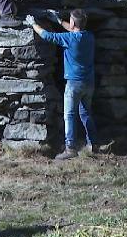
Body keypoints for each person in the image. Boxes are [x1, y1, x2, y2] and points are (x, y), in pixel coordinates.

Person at [26, 9, 97, 160]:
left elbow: (47, 35)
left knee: (69, 115)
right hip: (89, 82)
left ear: (72, 23)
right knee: (85, 113)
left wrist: (33, 24)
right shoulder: (89, 37)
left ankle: (70, 148)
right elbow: (74, 30)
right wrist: (58, 21)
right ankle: (93, 144)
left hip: (74, 84)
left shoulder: (69, 38)